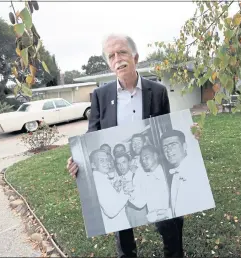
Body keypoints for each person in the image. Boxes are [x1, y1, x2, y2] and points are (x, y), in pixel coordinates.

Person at [67, 33, 183, 257]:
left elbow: (165, 128)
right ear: (109, 63)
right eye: (111, 55)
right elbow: (93, 134)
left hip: (150, 168)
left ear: (135, 57)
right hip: (120, 173)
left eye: (122, 52)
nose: (117, 59)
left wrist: (185, 135)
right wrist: (77, 159)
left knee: (169, 222)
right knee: (122, 228)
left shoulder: (157, 91)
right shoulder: (100, 96)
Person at [160, 129, 206, 218]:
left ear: (184, 146)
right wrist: (167, 213)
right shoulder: (175, 173)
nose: (168, 150)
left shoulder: (197, 170)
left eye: (173, 145)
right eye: (165, 147)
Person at [128, 145, 172, 223]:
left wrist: (167, 213)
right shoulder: (146, 177)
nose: (144, 161)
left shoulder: (168, 173)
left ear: (155, 156)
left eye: (146, 157)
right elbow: (140, 203)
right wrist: (128, 192)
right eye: (142, 159)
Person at [89, 149, 130, 233]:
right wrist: (126, 192)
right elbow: (111, 211)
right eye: (101, 160)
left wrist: (117, 190)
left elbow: (111, 200)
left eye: (107, 159)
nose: (107, 163)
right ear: (93, 165)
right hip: (116, 226)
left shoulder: (101, 177)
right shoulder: (98, 181)